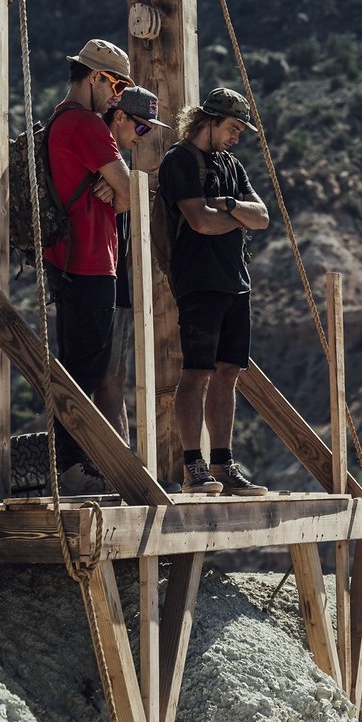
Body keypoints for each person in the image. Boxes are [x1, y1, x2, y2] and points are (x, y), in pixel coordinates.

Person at [44, 40, 160, 480]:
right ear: (94, 76)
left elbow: (123, 190)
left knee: (82, 363)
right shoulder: (87, 126)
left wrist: (116, 188)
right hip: (89, 260)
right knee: (86, 370)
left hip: (70, 258)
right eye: (115, 85)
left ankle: (75, 458)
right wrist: (120, 190)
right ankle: (73, 462)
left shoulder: (59, 118)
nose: (117, 96)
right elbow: (131, 193)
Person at [156, 86, 270, 496]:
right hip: (199, 282)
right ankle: (193, 467)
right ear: (209, 121)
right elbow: (199, 223)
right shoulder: (180, 161)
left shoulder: (232, 166)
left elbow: (262, 217)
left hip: (236, 281)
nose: (236, 136)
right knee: (197, 372)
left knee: (229, 373)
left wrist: (224, 206)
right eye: (232, 127)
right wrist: (233, 213)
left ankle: (223, 464)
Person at [98, 86, 170, 443]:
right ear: (121, 116)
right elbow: (125, 197)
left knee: (116, 373)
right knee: (106, 374)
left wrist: (121, 192)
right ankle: (111, 465)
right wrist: (122, 192)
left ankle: (121, 458)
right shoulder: (100, 151)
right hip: (97, 278)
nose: (143, 138)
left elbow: (127, 197)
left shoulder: (115, 159)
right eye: (141, 128)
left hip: (116, 278)